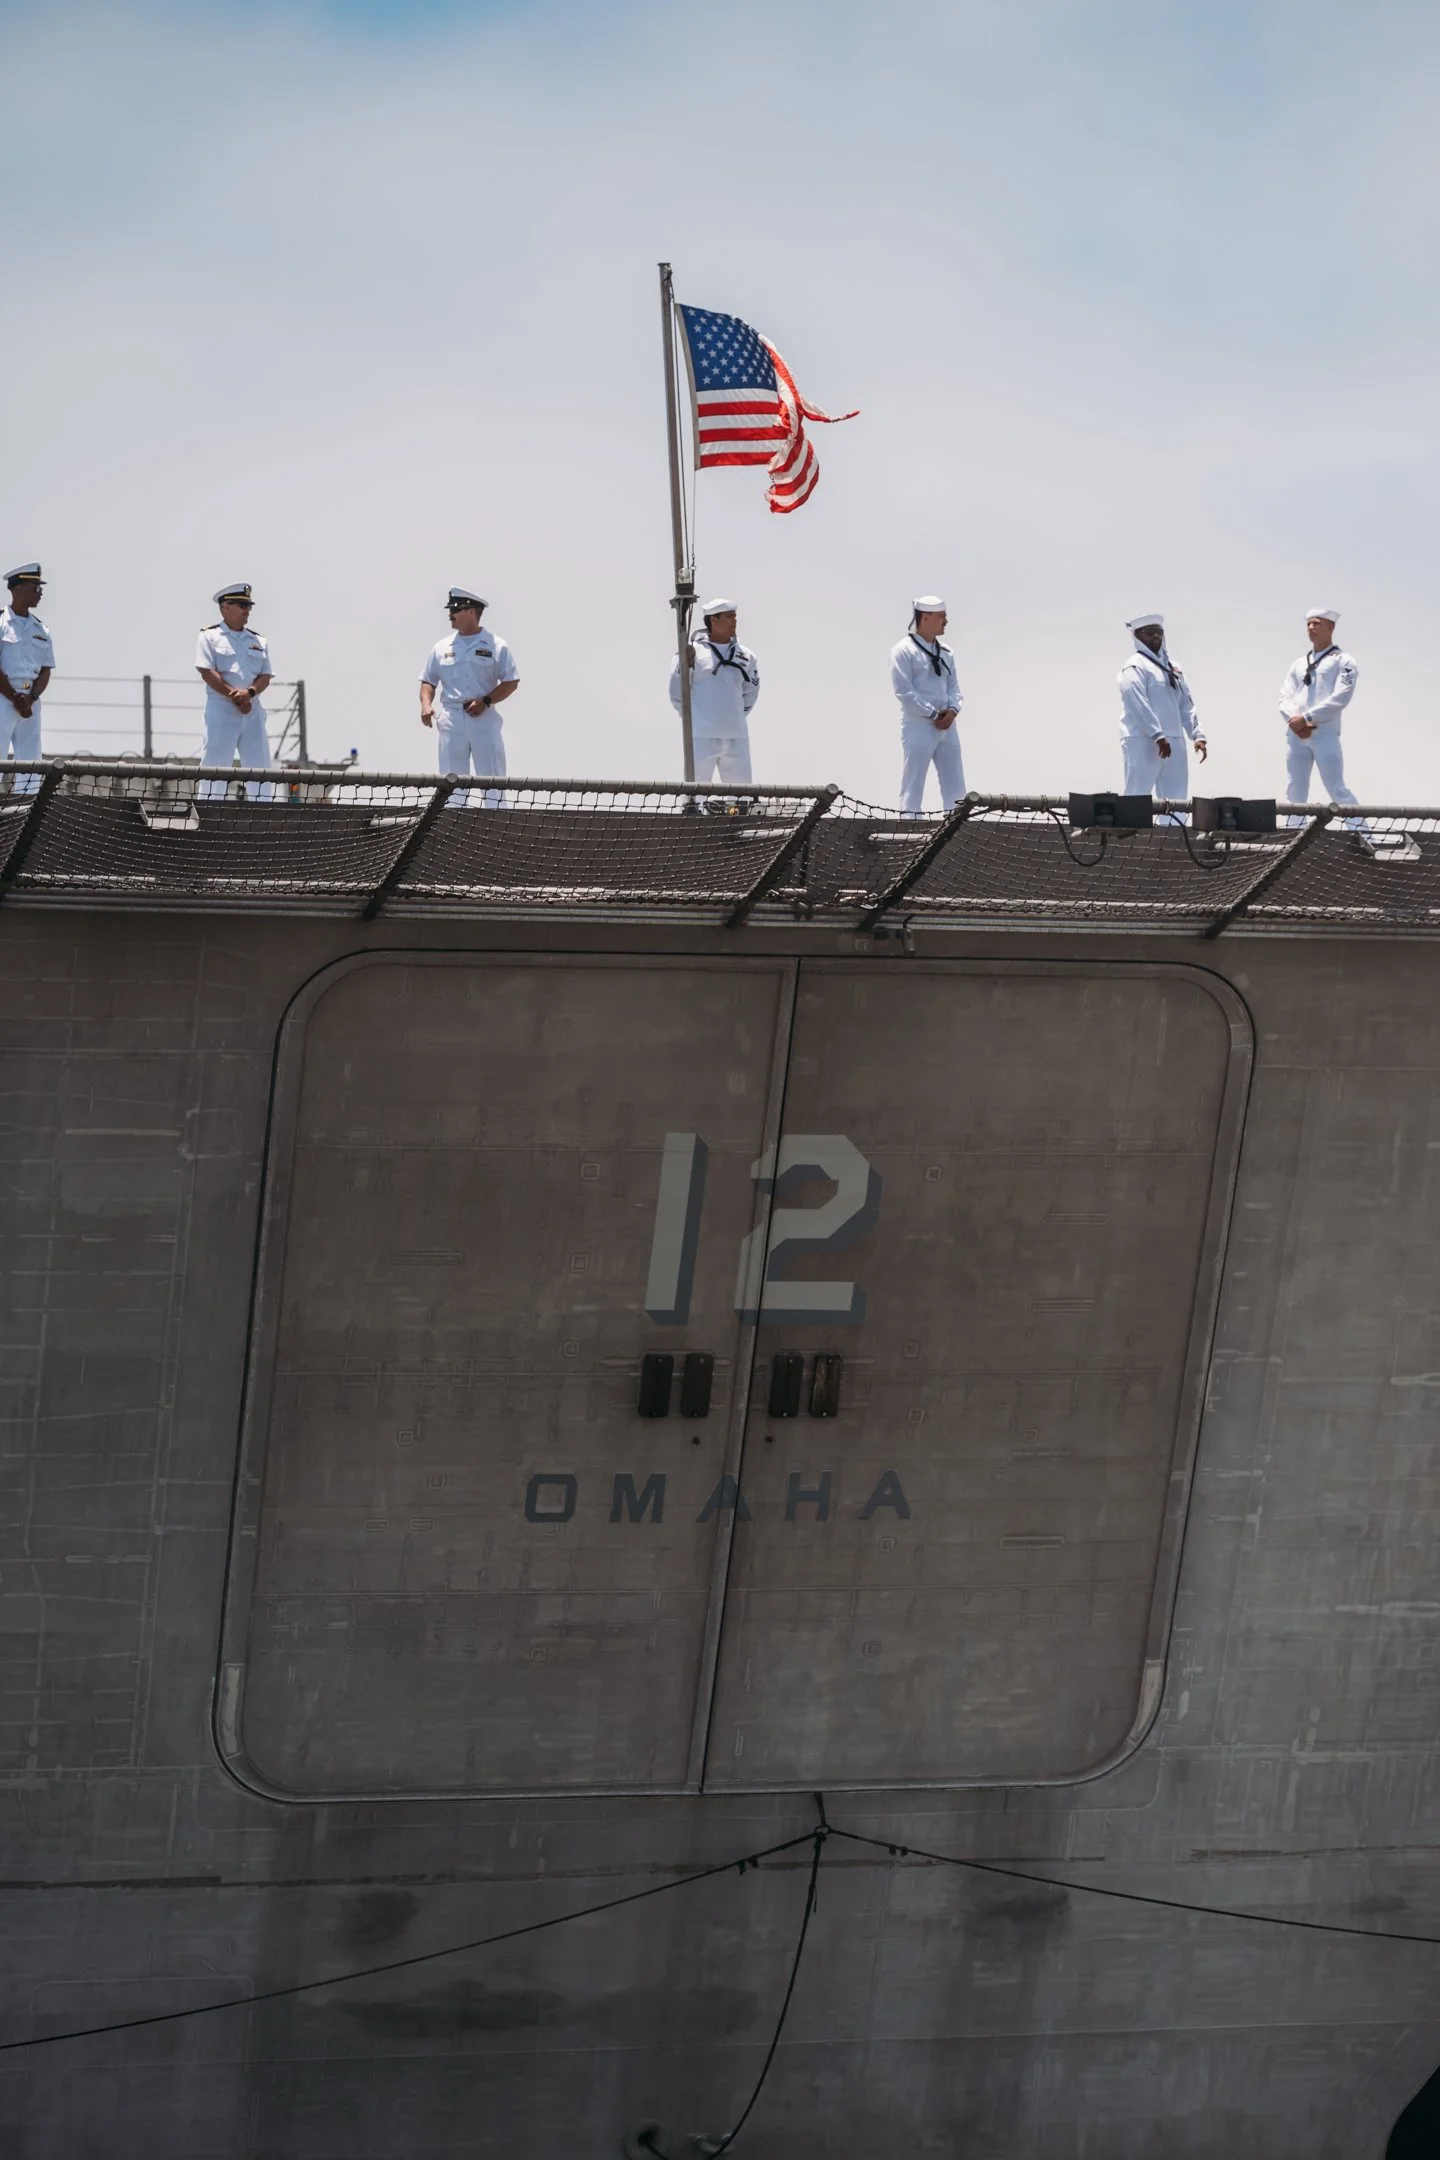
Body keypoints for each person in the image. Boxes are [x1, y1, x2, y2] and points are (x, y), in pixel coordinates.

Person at [420, 588, 519, 799]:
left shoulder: (497, 646)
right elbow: (428, 681)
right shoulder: (441, 647)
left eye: (456, 610)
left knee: (492, 779)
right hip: (452, 716)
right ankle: (452, 823)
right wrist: (426, 705)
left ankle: (495, 821)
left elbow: (511, 681)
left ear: (472, 612)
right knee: (451, 779)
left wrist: (486, 700)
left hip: (483, 716)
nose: (450, 615)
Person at [1118, 613, 1206, 814]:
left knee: (1176, 801)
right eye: (1150, 633)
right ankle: (1132, 838)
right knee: (1137, 796)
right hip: (1143, 739)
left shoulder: (1174, 668)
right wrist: (1158, 735)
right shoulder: (1134, 666)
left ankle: (1173, 839)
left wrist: (1197, 734)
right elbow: (1137, 703)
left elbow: (1186, 703)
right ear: (1138, 636)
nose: (1156, 637)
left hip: (1174, 739)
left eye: (1159, 633)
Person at [195, 583, 276, 801]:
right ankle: (209, 816)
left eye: (248, 606)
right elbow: (206, 671)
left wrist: (249, 693)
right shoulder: (210, 637)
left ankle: (264, 816)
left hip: (252, 711)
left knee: (260, 769)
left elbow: (266, 675)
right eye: (242, 605)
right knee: (215, 767)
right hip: (221, 711)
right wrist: (235, 695)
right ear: (225, 607)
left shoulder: (258, 640)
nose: (247, 611)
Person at [669, 598, 759, 785]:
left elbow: (751, 692)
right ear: (713, 620)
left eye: (734, 617)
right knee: (695, 794)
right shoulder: (691, 653)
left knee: (741, 795)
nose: (734, 621)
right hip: (701, 735)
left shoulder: (747, 656)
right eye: (728, 617)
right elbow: (677, 691)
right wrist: (694, 718)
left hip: (736, 734)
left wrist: (733, 715)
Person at [1281, 608, 1360, 816]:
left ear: (1331, 627)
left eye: (1317, 624)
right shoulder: (1298, 664)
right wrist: (1294, 721)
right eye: (1308, 624)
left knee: (1337, 788)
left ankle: (1363, 835)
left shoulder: (1344, 661)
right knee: (1294, 791)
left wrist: (1307, 717)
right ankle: (1295, 833)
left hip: (1323, 733)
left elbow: (1341, 697)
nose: (1311, 628)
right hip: (1296, 734)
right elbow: (1284, 697)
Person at [892, 596, 963, 813]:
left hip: (947, 726)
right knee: (913, 781)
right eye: (941, 616)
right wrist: (932, 714)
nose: (946, 621)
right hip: (919, 724)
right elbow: (904, 692)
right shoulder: (903, 651)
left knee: (955, 781)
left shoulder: (946, 652)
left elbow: (954, 688)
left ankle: (957, 824)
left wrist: (952, 710)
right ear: (925, 617)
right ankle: (908, 823)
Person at [0, 563, 55, 796]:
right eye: (34, 587)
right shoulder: (1, 624)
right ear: (17, 588)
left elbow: (45, 670)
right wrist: (15, 698)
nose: (39, 592)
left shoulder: (41, 629)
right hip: (3, 698)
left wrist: (30, 698)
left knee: (32, 763)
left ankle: (25, 809)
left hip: (30, 703)